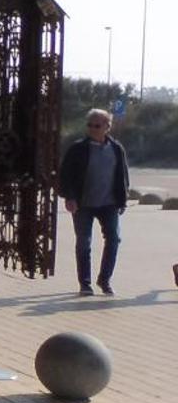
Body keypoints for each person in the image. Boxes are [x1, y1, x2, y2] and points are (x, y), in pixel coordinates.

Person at [58, 107, 129, 295]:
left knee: (114, 239)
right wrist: (69, 197)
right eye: (90, 125)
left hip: (109, 204)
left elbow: (122, 175)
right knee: (84, 242)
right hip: (83, 204)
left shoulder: (116, 149)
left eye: (97, 125)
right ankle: (85, 283)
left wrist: (123, 199)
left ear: (107, 126)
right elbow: (65, 175)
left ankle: (104, 280)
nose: (92, 129)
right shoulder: (78, 149)